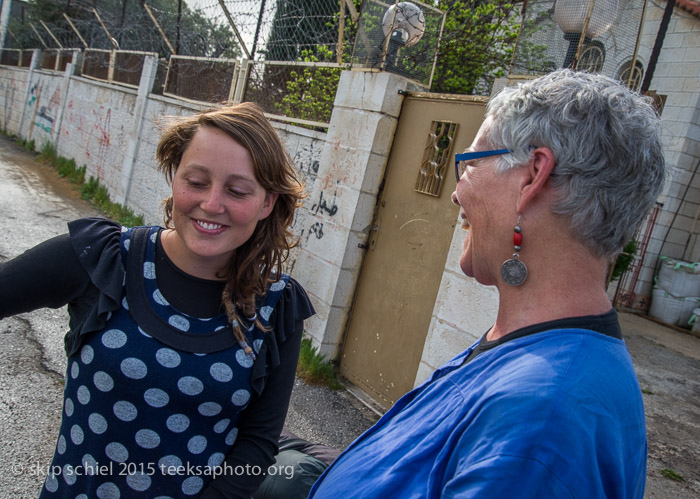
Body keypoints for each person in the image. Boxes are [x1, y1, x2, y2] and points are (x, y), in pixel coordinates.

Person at [309, 69, 665, 498]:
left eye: (471, 164)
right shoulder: (542, 350)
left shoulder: (540, 421)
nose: (457, 193)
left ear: (533, 175)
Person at [0, 102, 315, 498]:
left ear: (267, 203)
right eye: (197, 181)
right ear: (173, 177)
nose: (212, 204)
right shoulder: (104, 259)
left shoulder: (278, 306)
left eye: (236, 191)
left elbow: (257, 443)